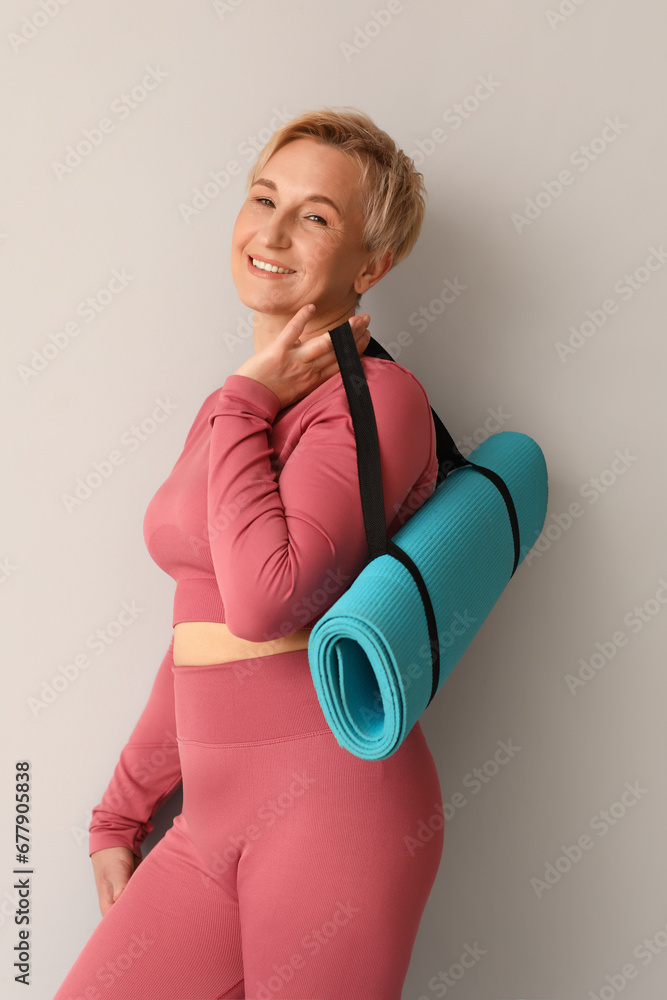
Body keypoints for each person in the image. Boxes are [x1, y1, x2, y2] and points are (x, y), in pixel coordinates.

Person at [53, 105, 444, 1000]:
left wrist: (240, 400)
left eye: (314, 216)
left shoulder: (380, 400)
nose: (269, 231)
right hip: (209, 825)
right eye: (262, 197)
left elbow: (269, 600)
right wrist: (120, 808)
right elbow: (200, 623)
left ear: (372, 264)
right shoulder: (241, 402)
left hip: (333, 813)